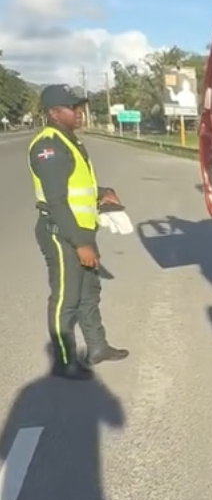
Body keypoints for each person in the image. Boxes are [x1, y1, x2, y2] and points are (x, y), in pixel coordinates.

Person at [28, 84, 129, 380]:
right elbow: (56, 201)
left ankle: (97, 347)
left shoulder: (69, 139)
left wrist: (102, 192)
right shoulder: (48, 147)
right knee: (66, 298)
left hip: (80, 230)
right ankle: (64, 361)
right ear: (54, 112)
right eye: (73, 108)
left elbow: (76, 186)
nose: (80, 112)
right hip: (61, 233)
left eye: (79, 107)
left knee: (89, 293)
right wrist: (80, 242)